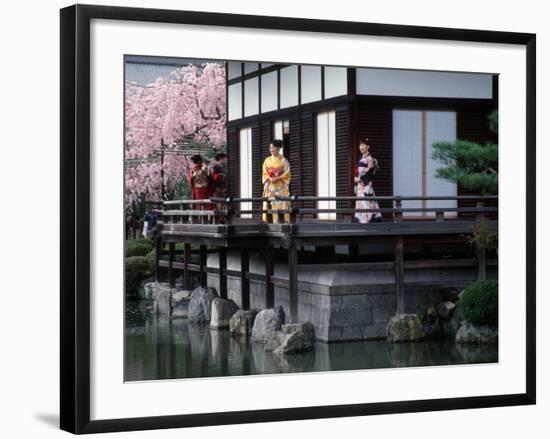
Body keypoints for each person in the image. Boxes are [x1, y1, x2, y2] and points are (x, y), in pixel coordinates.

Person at [262, 139, 291, 223]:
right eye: (270, 147)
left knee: (282, 203)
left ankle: (283, 222)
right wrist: (269, 178)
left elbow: (287, 172)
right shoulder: (267, 160)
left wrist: (278, 177)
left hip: (280, 185)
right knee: (271, 203)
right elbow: (264, 171)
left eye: (274, 148)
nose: (271, 149)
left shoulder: (283, 160)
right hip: (271, 185)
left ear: (278, 149)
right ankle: (271, 222)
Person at [354, 138, 383, 223]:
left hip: (366, 184)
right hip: (360, 185)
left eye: (363, 145)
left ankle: (368, 221)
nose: (361, 147)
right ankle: (363, 221)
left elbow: (370, 173)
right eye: (360, 145)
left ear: (368, 147)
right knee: (362, 203)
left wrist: (359, 178)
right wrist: (356, 178)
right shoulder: (362, 158)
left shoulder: (370, 159)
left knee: (366, 203)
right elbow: (358, 171)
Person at [208, 152, 228, 222]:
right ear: (221, 159)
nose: (225, 160)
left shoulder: (222, 167)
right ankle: (220, 218)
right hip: (217, 188)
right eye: (224, 159)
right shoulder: (215, 167)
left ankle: (221, 218)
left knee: (222, 203)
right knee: (218, 203)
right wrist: (223, 176)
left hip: (223, 188)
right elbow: (214, 178)